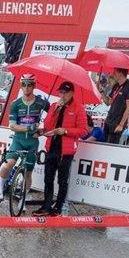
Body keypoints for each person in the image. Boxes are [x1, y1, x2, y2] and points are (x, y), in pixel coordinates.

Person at [33, 82, 88, 216]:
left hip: (66, 150)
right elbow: (47, 125)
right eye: (61, 92)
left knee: (62, 180)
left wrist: (65, 131)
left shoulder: (79, 108)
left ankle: (58, 206)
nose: (63, 95)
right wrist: (55, 110)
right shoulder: (54, 106)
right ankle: (46, 205)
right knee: (48, 178)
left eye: (65, 92)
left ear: (72, 93)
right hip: (51, 147)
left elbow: (83, 131)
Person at [0, 74, 49, 200]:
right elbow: (12, 126)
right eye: (24, 84)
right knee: (9, 164)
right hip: (18, 140)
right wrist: (30, 128)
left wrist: (43, 129)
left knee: (28, 173)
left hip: (32, 142)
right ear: (21, 85)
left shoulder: (42, 103)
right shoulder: (16, 104)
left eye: (29, 84)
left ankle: (23, 198)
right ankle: (0, 188)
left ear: (34, 86)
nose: (26, 87)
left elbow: (52, 118)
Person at [100, 68, 129, 144]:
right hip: (109, 120)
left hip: (117, 123)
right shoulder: (116, 86)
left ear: (120, 73)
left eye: (115, 72)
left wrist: (121, 125)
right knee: (103, 146)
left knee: (111, 147)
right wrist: (101, 91)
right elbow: (108, 102)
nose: (112, 74)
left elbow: (128, 108)